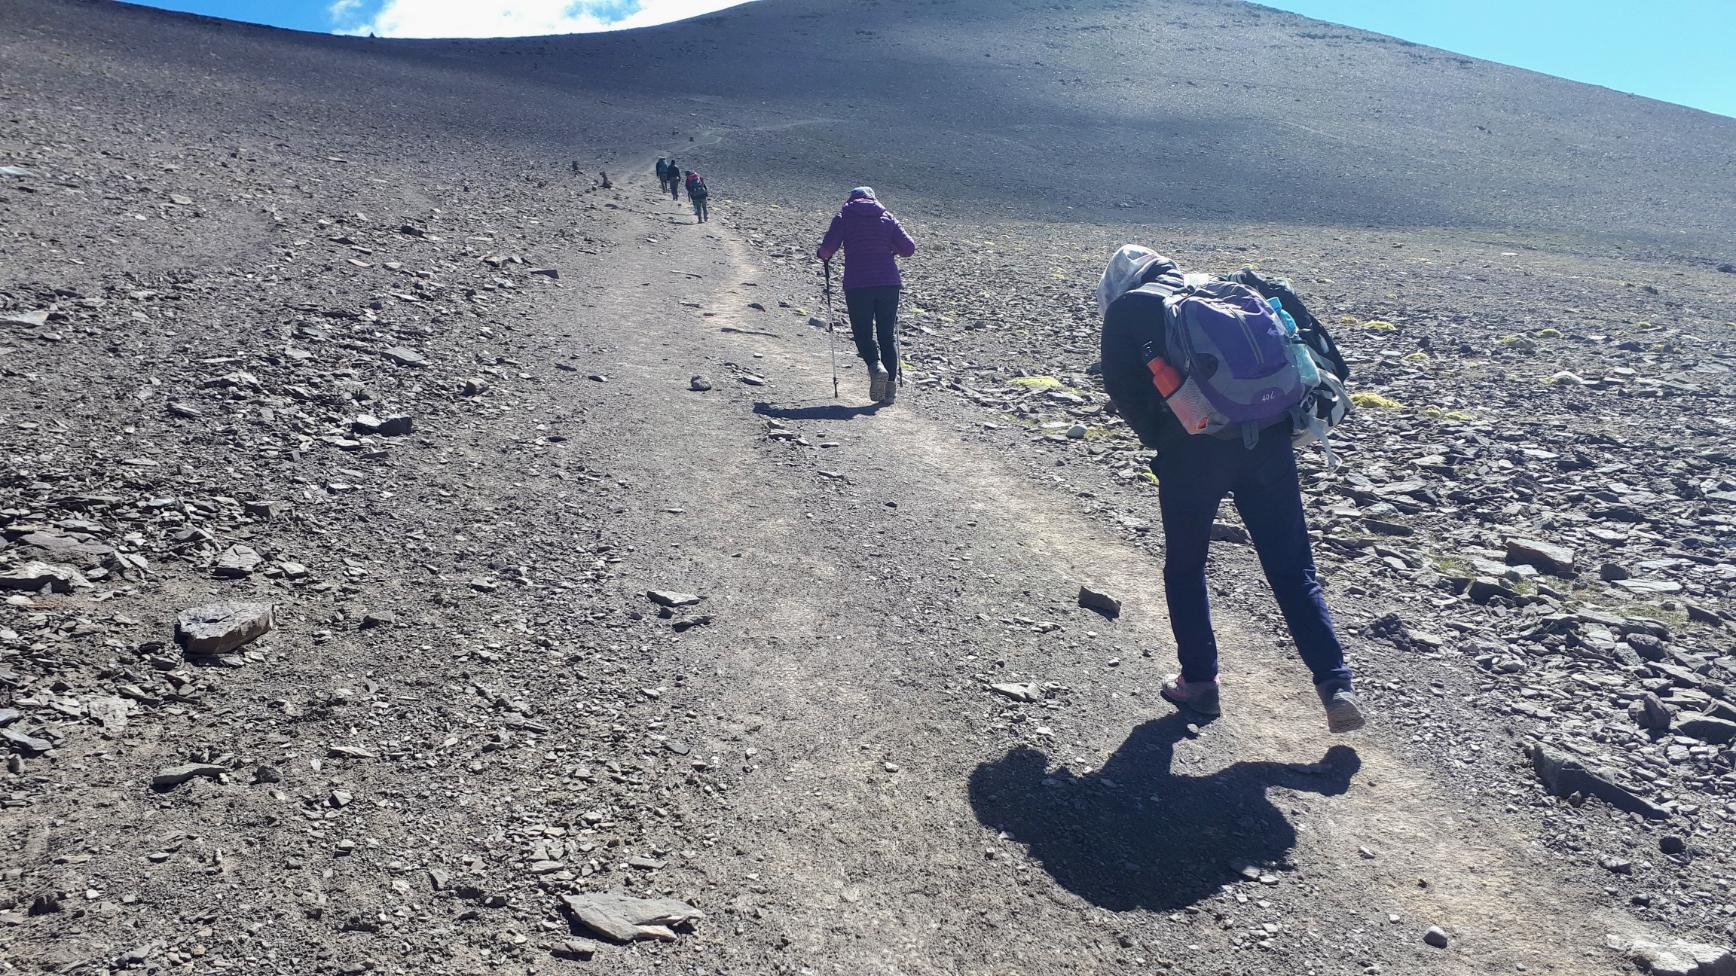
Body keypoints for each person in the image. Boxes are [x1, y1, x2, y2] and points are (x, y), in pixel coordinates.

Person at [1096, 245, 1365, 734]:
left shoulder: (1130, 308)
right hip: (1270, 443)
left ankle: (1199, 684)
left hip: (1193, 451)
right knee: (1292, 567)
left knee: (1186, 566)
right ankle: (1335, 683)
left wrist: (1163, 438)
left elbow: (1123, 389)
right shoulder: (1226, 290)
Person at [816, 187, 916, 404]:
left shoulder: (844, 217)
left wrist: (822, 255)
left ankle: (875, 366)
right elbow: (908, 248)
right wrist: (890, 248)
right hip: (889, 283)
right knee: (887, 336)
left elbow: (826, 251)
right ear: (873, 199)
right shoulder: (887, 217)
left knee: (862, 334)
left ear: (851, 200)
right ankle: (889, 391)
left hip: (858, 284)